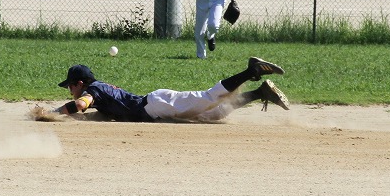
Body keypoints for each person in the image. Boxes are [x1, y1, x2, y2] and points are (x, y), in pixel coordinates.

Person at [47, 57, 289, 123]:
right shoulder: (99, 91)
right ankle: (260, 92)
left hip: (157, 105)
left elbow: (80, 105)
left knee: (209, 97)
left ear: (80, 83)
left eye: (70, 86)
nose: (69, 90)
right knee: (214, 114)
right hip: (156, 108)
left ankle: (251, 70)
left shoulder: (93, 91)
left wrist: (52, 113)